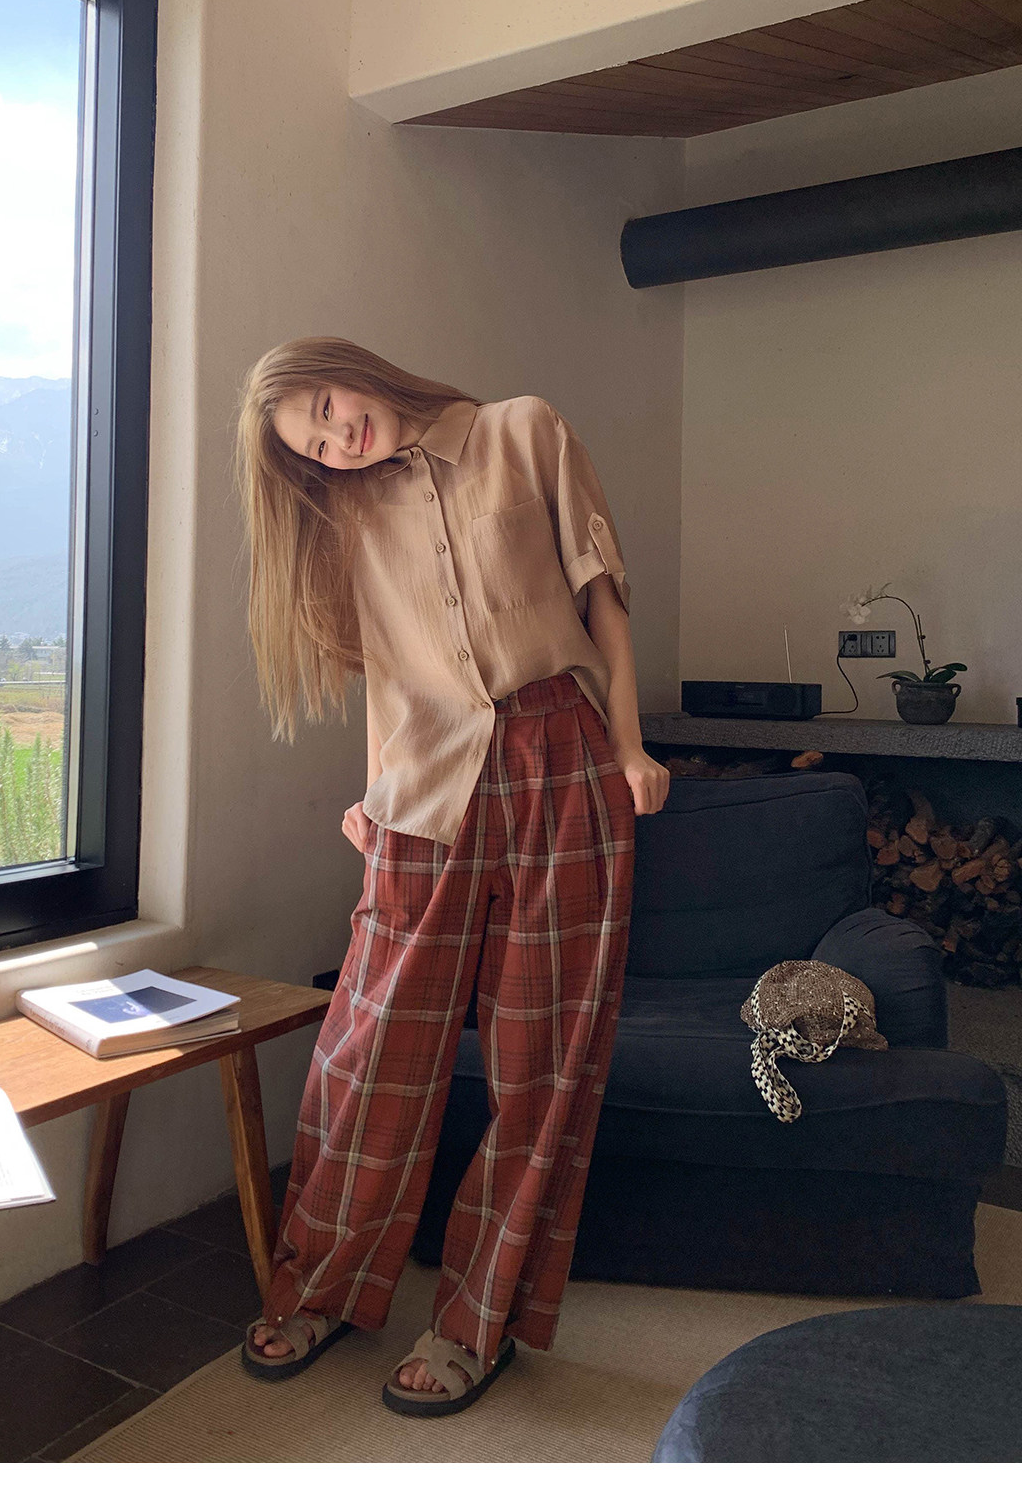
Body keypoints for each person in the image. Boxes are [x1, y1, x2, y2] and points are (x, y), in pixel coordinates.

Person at [233, 336, 669, 1416]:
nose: (337, 438)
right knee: (369, 1042)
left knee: (540, 1058)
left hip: (564, 754)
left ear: (351, 368)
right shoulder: (348, 517)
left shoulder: (525, 430)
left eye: (325, 406)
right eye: (314, 446)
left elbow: (604, 604)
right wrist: (373, 791)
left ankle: (480, 1321)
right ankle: (322, 1284)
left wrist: (628, 748)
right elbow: (388, 673)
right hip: (426, 776)